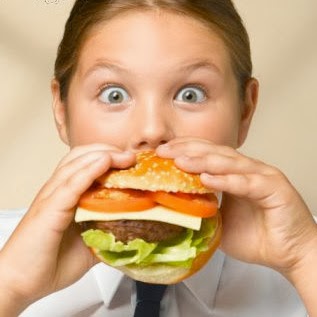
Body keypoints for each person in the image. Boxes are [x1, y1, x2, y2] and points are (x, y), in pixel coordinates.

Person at [0, 0, 316, 316]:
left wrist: (304, 257)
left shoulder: (304, 252)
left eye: (191, 94)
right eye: (114, 94)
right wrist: (10, 287)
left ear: (245, 111)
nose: (152, 131)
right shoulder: (7, 260)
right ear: (61, 110)